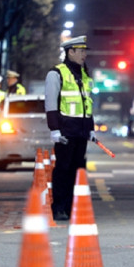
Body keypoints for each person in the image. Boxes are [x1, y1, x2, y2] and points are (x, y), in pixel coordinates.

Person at [44, 35, 97, 221]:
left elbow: (87, 104)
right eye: (80, 51)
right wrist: (54, 130)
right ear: (70, 52)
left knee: (77, 170)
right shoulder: (56, 73)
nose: (84, 55)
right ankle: (58, 207)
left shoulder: (84, 75)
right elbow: (51, 104)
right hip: (66, 130)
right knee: (63, 169)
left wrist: (90, 128)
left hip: (81, 131)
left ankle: (71, 207)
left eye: (85, 51)